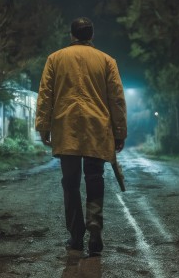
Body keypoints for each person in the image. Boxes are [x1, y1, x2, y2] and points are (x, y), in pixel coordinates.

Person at [35, 17, 127, 256]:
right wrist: (119, 132)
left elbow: (46, 95)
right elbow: (116, 99)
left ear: (72, 35)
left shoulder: (55, 59)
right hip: (97, 129)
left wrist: (44, 126)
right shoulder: (107, 61)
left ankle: (76, 237)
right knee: (95, 178)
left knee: (71, 182)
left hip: (67, 130)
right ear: (91, 36)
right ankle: (95, 232)